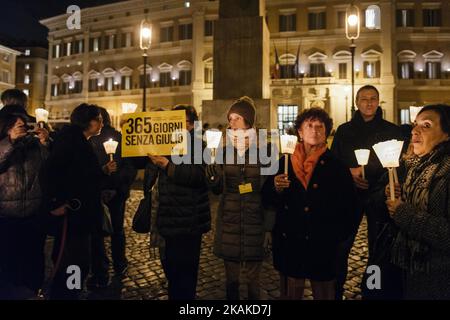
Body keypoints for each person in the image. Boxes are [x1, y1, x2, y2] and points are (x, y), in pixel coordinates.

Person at [262, 107, 359, 300]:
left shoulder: (336, 166)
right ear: (299, 131)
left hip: (323, 243)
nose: (314, 130)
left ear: (327, 131)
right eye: (309, 125)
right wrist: (275, 187)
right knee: (291, 292)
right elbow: (266, 197)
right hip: (290, 241)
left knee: (324, 292)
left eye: (319, 126)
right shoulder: (284, 163)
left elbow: (351, 207)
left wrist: (337, 237)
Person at [330, 85, 403, 299]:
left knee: (377, 251)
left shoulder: (391, 130)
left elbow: (396, 164)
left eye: (373, 98)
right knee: (341, 247)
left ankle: (373, 291)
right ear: (356, 102)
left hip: (379, 195)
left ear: (378, 101)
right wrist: (349, 174)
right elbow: (334, 163)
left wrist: (384, 183)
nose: (369, 103)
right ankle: (336, 291)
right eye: (364, 99)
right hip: (349, 196)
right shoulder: (344, 130)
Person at [40, 103, 116, 299]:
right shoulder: (71, 142)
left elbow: (82, 176)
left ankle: (71, 291)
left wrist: (103, 172)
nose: (102, 122)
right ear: (88, 122)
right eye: (98, 118)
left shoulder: (79, 141)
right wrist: (56, 203)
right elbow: (50, 172)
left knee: (78, 258)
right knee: (73, 260)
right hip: (74, 216)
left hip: (80, 215)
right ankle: (68, 293)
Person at [206, 96, 275, 300]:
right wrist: (212, 175)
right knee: (232, 281)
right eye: (230, 118)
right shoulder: (223, 151)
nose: (232, 122)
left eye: (237, 117)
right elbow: (218, 189)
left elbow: (270, 194)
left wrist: (269, 227)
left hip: (255, 222)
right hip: (230, 221)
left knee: (254, 281)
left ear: (248, 121)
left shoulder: (265, 150)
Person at [144, 105, 211, 300]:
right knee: (172, 273)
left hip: (188, 222)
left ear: (190, 125)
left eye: (177, 121)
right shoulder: (165, 143)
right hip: (166, 219)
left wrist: (167, 165)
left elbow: (199, 176)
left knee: (185, 276)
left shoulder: (199, 146)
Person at [386, 104, 450, 299]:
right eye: (415, 124)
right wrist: (398, 196)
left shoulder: (446, 171)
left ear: (447, 134)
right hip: (409, 269)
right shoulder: (415, 167)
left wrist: (403, 212)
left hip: (439, 277)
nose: (415, 130)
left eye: (427, 125)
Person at [0, 112, 49, 299]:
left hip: (34, 214)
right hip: (5, 216)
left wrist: (45, 143)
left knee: (34, 260)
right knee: (8, 262)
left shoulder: (33, 145)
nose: (21, 125)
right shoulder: (3, 145)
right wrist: (10, 142)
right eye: (15, 123)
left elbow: (48, 167)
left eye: (22, 123)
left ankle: (32, 291)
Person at [88, 107, 137, 288]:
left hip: (101, 192)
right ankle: (119, 263)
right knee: (117, 230)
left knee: (97, 232)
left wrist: (105, 187)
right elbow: (129, 169)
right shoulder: (120, 138)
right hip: (114, 192)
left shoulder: (90, 139)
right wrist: (116, 187)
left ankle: (100, 269)